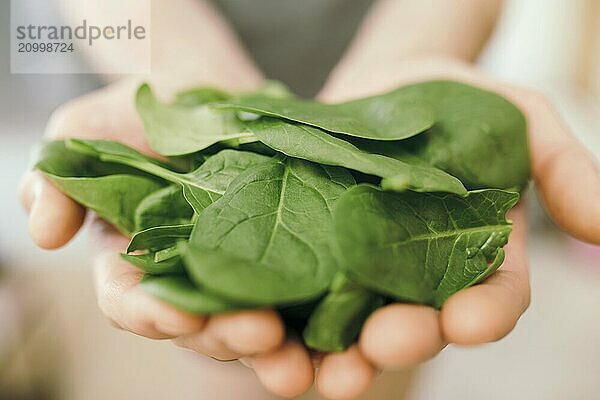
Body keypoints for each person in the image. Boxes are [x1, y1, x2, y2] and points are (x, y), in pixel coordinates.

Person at [18, 0, 600, 399]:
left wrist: (420, 42)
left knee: (373, 344)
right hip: (147, 39)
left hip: (380, 63)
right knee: (227, 340)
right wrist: (182, 68)